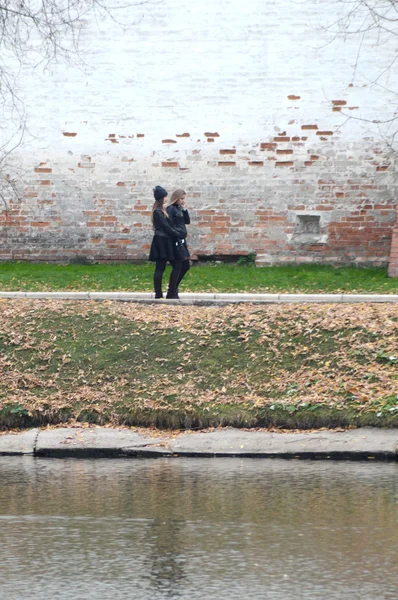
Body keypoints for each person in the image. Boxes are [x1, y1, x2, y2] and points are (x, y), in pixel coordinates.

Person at [149, 185, 182, 299]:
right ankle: (159, 294)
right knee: (160, 267)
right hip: (162, 241)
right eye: (165, 196)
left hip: (166, 240)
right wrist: (178, 233)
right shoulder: (158, 212)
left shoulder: (162, 210)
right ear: (161, 198)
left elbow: (169, 226)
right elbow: (166, 227)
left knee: (176, 265)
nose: (167, 198)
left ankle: (170, 292)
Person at [166, 189, 191, 295]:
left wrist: (184, 209)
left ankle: (174, 288)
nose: (183, 201)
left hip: (182, 240)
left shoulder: (179, 209)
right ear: (176, 198)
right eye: (181, 199)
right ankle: (172, 291)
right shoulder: (170, 209)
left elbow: (187, 221)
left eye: (184, 199)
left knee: (185, 265)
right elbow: (168, 225)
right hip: (175, 241)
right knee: (179, 265)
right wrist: (176, 233)